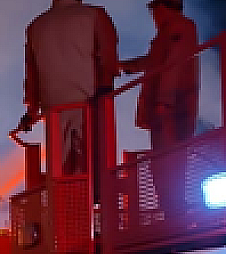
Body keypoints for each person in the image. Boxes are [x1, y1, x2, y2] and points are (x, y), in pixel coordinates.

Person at [20, 0, 119, 176]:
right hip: (90, 105)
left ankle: (66, 198)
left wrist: (31, 111)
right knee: (92, 167)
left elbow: (31, 75)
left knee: (60, 171)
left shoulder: (35, 26)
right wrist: (105, 89)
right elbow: (108, 58)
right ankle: (92, 197)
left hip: (53, 110)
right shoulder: (95, 15)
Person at [121, 0, 199, 152]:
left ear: (162, 7)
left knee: (168, 157)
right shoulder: (170, 31)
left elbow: (173, 63)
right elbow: (156, 61)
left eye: (153, 10)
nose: (153, 16)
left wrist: (164, 101)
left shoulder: (180, 27)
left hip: (172, 109)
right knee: (163, 157)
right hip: (166, 108)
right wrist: (125, 67)